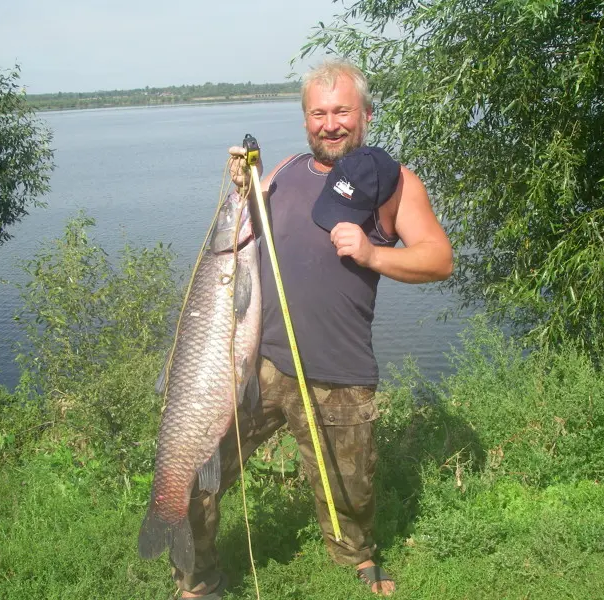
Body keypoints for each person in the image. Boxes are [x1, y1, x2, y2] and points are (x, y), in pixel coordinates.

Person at [173, 59, 453, 598]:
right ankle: (198, 581)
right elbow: (236, 243)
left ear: (366, 114)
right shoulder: (282, 172)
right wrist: (240, 186)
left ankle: (356, 563)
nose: (331, 124)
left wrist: (372, 253)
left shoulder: (392, 183)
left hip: (339, 372)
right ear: (306, 120)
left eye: (342, 111)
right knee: (192, 475)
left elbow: (439, 260)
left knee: (349, 496)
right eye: (319, 113)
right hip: (259, 364)